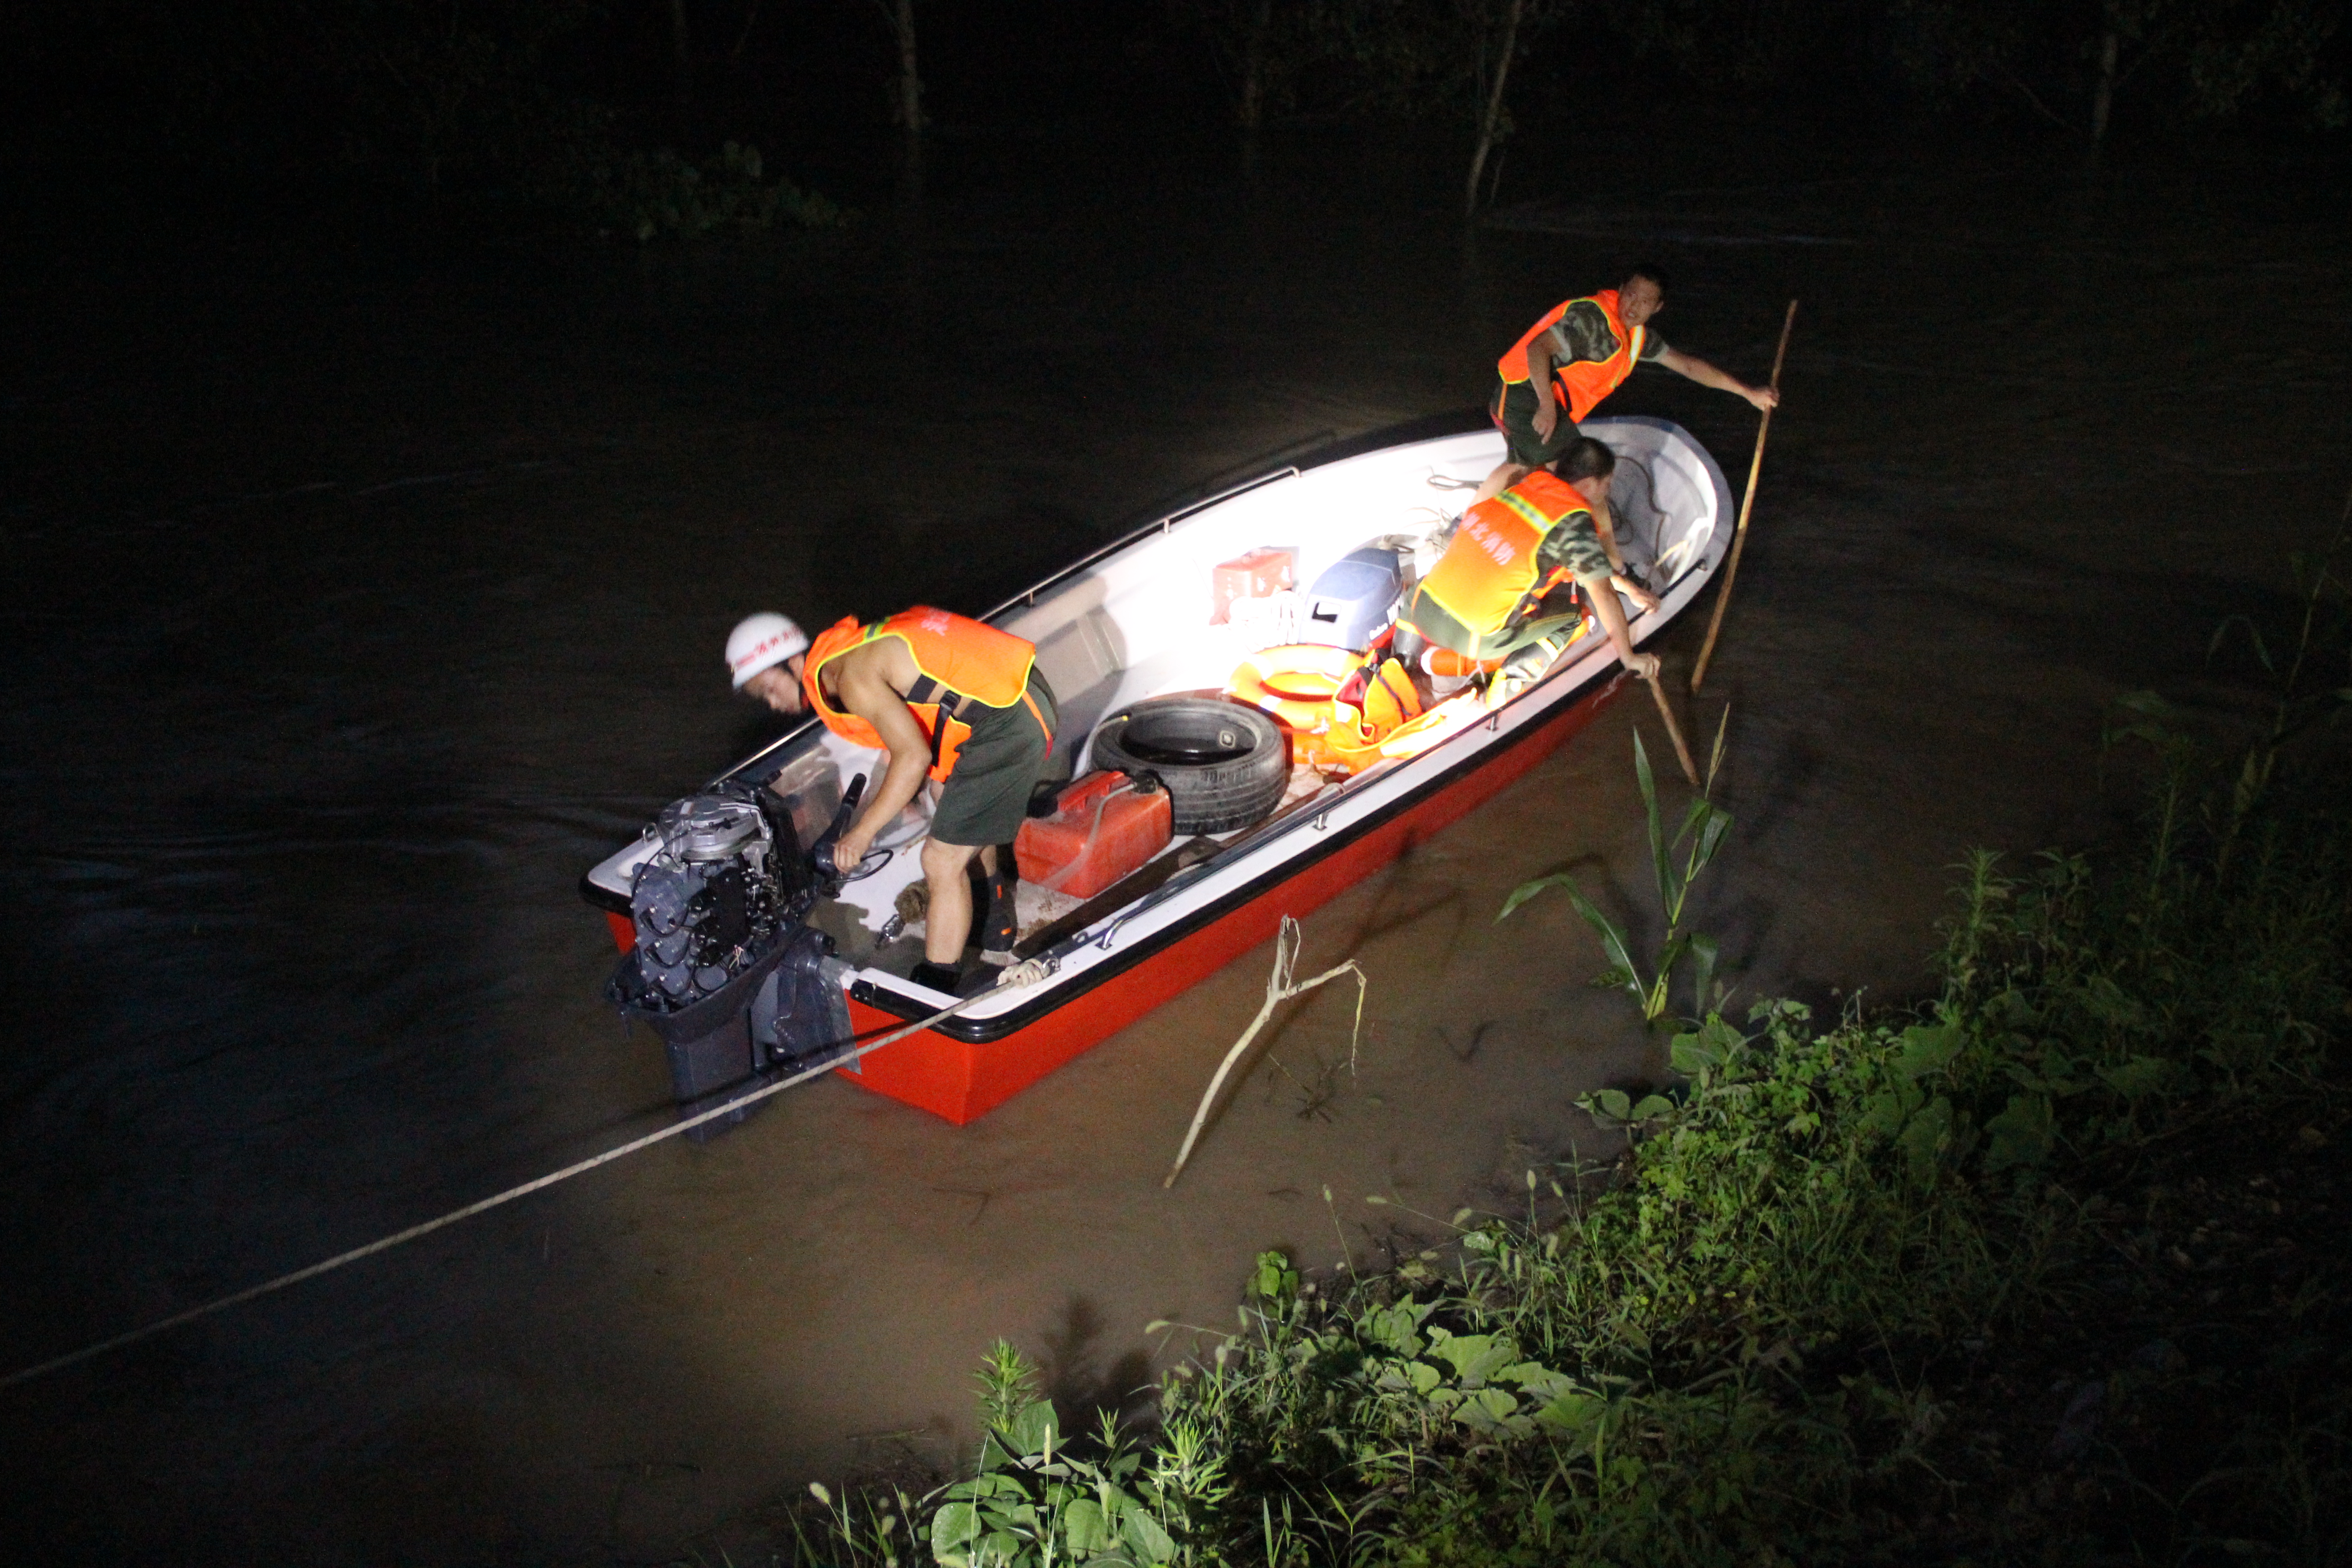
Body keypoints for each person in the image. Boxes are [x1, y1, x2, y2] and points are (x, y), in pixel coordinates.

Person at [727, 607, 1057, 996]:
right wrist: (873, 809)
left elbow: (913, 757)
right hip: (1015, 694)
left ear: (794, 661)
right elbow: (900, 745)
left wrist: (862, 834)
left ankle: (937, 986)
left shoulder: (852, 677)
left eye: (768, 688)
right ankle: (994, 913)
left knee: (939, 860)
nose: (771, 702)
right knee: (945, 796)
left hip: (1011, 720)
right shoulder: (849, 654)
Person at [1479, 265, 1779, 501]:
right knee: (1585, 473)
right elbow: (1537, 348)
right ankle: (1604, 564)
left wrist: (1747, 392)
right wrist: (1546, 405)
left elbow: (1689, 365)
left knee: (1528, 466)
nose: (1633, 306)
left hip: (1546, 403)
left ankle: (1480, 520)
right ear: (1621, 290)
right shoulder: (1592, 322)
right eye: (1631, 295)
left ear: (1657, 308)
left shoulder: (1637, 338)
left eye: (1645, 301)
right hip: (1523, 393)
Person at [1401, 437, 1661, 703]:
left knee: (1430, 584)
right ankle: (1510, 682)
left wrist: (1630, 589)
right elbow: (1602, 592)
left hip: (1422, 609)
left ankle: (1400, 661)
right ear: (1591, 483)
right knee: (1571, 617)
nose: (1607, 493)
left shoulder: (1524, 485)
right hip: (1473, 638)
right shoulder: (1572, 520)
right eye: (1607, 484)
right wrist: (1629, 657)